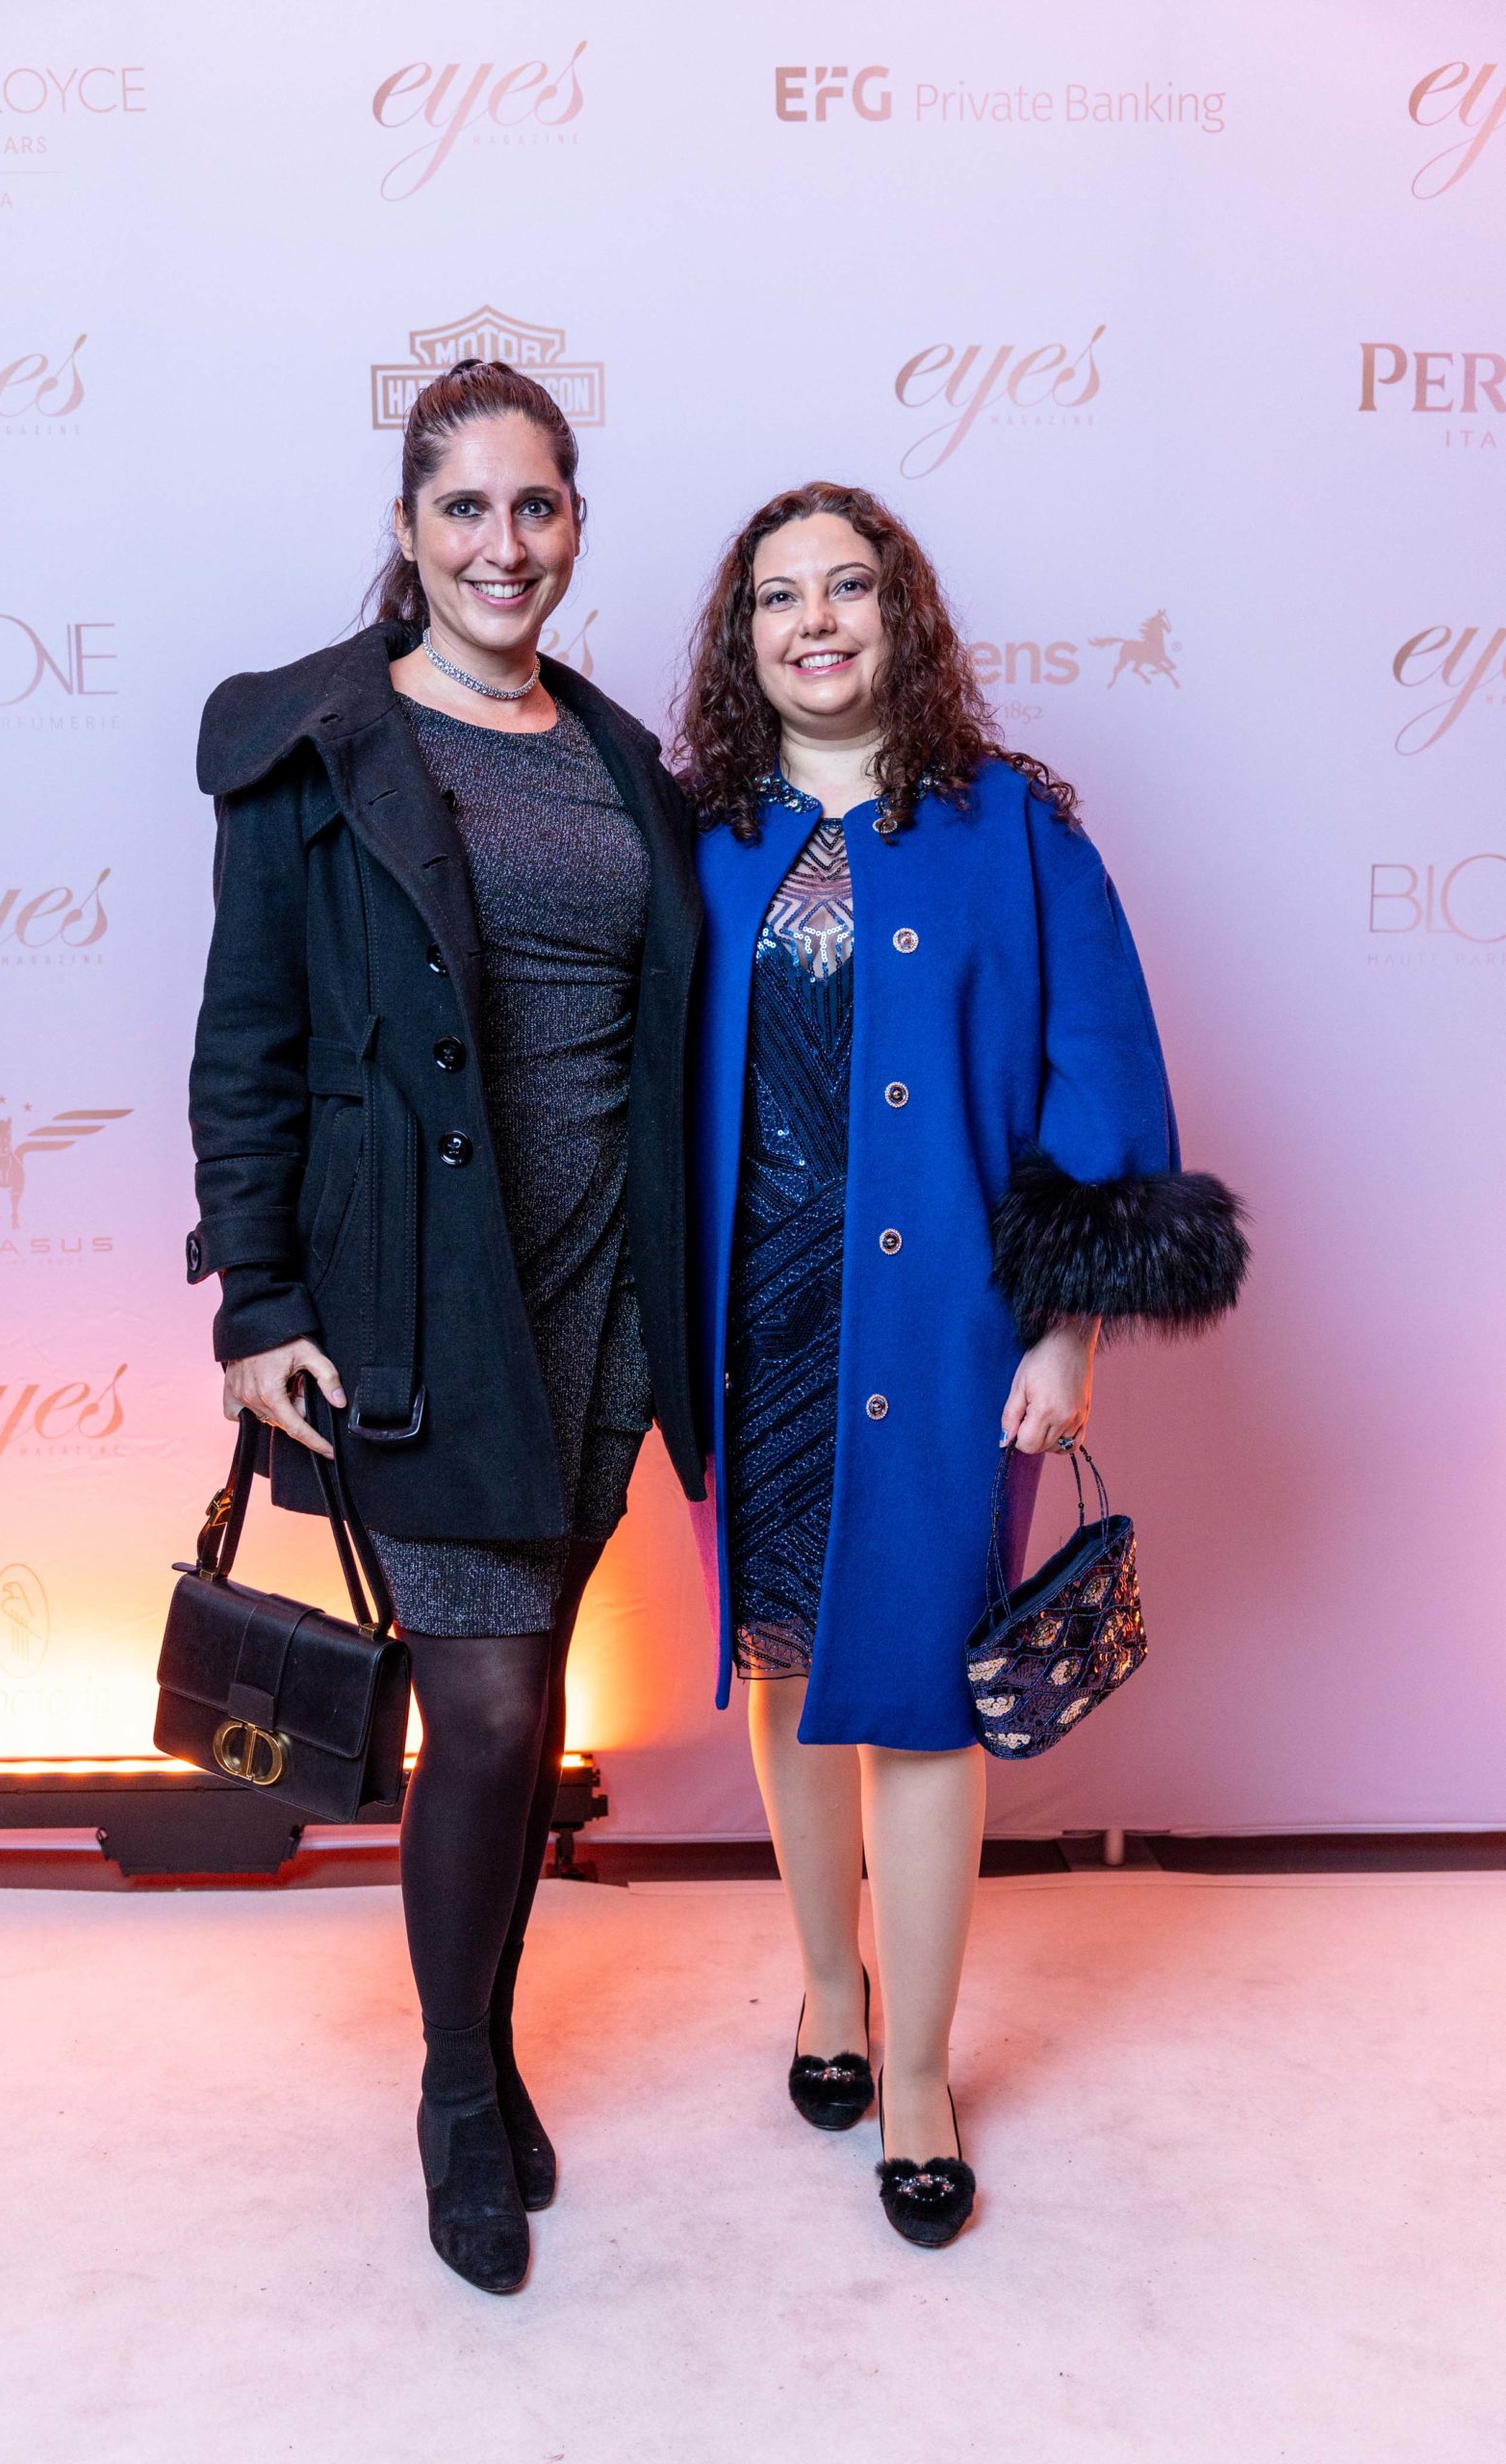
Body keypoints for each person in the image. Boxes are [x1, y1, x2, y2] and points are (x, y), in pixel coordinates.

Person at [677, 481, 1247, 2247]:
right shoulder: (699, 836)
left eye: (848, 588)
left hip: (941, 1336)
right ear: (743, 639)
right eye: (778, 597)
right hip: (746, 1326)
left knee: (925, 1691)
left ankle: (914, 2075)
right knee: (781, 1662)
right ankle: (826, 1987)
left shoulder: (1014, 829)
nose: (814, 622)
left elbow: (1102, 1074)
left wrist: (1069, 1325)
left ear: (900, 616)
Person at [186, 361, 704, 2294]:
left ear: (574, 527)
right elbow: (248, 1042)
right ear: (406, 531)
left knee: (531, 1695)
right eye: (466, 507)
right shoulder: (314, 748)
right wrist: (257, 1300)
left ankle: (481, 2036)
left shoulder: (623, 759)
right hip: (415, 1299)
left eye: (537, 505)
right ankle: (460, 2088)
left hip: (601, 1296)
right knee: (478, 1712)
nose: (505, 543)